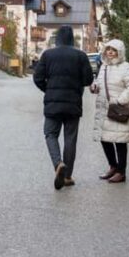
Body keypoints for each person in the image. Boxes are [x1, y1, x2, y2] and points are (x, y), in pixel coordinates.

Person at [33, 25, 94, 190]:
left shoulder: (48, 55)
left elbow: (37, 78)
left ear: (57, 38)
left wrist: (49, 90)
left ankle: (58, 163)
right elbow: (88, 80)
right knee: (70, 138)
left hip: (53, 103)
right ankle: (67, 176)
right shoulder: (80, 56)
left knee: (50, 134)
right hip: (73, 103)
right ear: (72, 39)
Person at [90, 39, 129, 183]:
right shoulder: (104, 67)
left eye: (113, 50)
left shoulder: (126, 67)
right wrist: (94, 87)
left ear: (120, 52)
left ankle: (121, 172)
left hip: (118, 109)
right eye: (108, 49)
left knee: (119, 141)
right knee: (104, 139)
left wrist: (120, 100)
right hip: (104, 109)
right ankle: (113, 166)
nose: (110, 52)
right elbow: (99, 83)